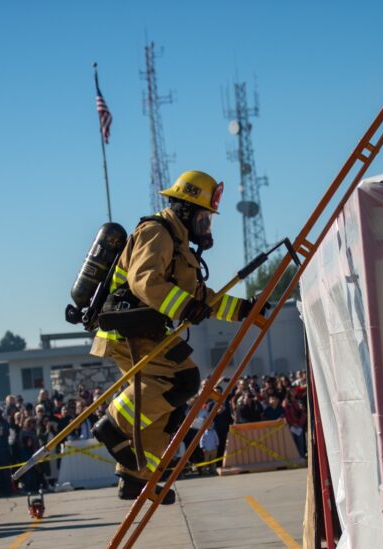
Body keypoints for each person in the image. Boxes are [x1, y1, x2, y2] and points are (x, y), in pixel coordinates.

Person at [90, 170, 265, 504]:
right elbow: (144, 281)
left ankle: (137, 477)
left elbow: (199, 296)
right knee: (181, 379)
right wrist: (185, 308)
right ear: (184, 210)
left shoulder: (178, 243)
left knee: (174, 404)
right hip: (125, 331)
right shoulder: (157, 232)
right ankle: (114, 424)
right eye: (203, 217)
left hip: (144, 329)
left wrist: (244, 310)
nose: (207, 225)